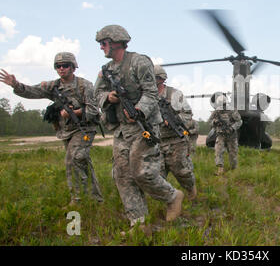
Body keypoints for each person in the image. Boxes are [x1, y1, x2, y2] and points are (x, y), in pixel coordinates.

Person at [93, 25, 183, 232]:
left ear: (116, 42)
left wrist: (139, 110)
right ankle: (138, 222)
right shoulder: (105, 71)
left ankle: (172, 196)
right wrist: (108, 97)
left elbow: (152, 93)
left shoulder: (139, 62)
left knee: (141, 172)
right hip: (121, 130)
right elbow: (96, 95)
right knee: (122, 174)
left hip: (144, 126)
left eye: (103, 43)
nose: (101, 48)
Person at [0, 53, 103, 206]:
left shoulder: (84, 85)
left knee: (73, 160)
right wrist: (16, 84)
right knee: (82, 161)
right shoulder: (53, 86)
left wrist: (74, 112)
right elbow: (32, 91)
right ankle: (96, 199)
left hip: (84, 129)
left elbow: (94, 110)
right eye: (58, 66)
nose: (61, 69)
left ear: (73, 67)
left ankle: (77, 200)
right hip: (66, 131)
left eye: (65, 65)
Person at [154, 65, 197, 201]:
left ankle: (190, 189)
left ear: (161, 79)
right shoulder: (146, 95)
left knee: (181, 171)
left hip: (176, 140)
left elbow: (188, 114)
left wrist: (174, 120)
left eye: (153, 78)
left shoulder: (174, 94)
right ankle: (169, 200)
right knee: (156, 173)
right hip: (155, 140)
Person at [208, 95, 242, 176]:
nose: (222, 107)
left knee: (233, 152)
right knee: (218, 151)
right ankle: (220, 169)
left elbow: (239, 121)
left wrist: (232, 128)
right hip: (220, 135)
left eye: (224, 105)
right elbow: (209, 121)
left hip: (231, 135)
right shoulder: (216, 112)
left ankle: (233, 169)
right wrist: (214, 122)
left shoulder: (232, 111)